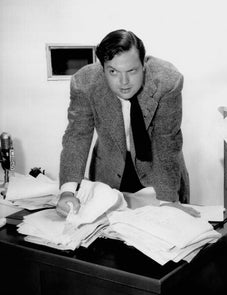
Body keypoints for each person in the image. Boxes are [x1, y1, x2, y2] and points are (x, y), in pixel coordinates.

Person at [56, 29, 198, 218]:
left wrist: (168, 201)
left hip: (159, 172)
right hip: (110, 172)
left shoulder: (167, 81)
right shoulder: (84, 83)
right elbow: (77, 136)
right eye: (113, 71)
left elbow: (166, 142)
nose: (124, 82)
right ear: (102, 68)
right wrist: (67, 192)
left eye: (132, 71)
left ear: (143, 65)